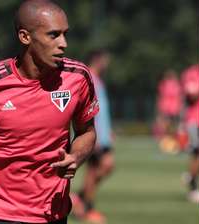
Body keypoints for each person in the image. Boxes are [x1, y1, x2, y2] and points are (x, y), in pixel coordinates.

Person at [0, 1, 99, 224]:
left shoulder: (78, 78)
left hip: (54, 210)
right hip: (0, 209)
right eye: (53, 35)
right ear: (25, 37)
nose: (63, 43)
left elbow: (87, 131)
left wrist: (75, 157)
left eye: (65, 34)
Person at [70, 49, 114, 224]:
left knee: (105, 167)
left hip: (102, 136)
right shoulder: (88, 79)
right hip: (93, 136)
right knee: (94, 170)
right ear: (98, 60)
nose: (107, 64)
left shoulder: (98, 80)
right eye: (105, 60)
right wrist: (91, 135)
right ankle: (87, 208)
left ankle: (78, 199)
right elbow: (87, 111)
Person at [180, 64, 199, 203]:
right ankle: (193, 189)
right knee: (196, 153)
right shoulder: (192, 73)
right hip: (195, 120)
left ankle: (190, 176)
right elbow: (191, 95)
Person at [153, 70, 183, 153]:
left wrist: (158, 108)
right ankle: (170, 144)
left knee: (167, 128)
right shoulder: (177, 84)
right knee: (171, 128)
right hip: (173, 108)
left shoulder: (165, 83)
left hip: (167, 107)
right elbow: (180, 97)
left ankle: (169, 144)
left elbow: (160, 96)